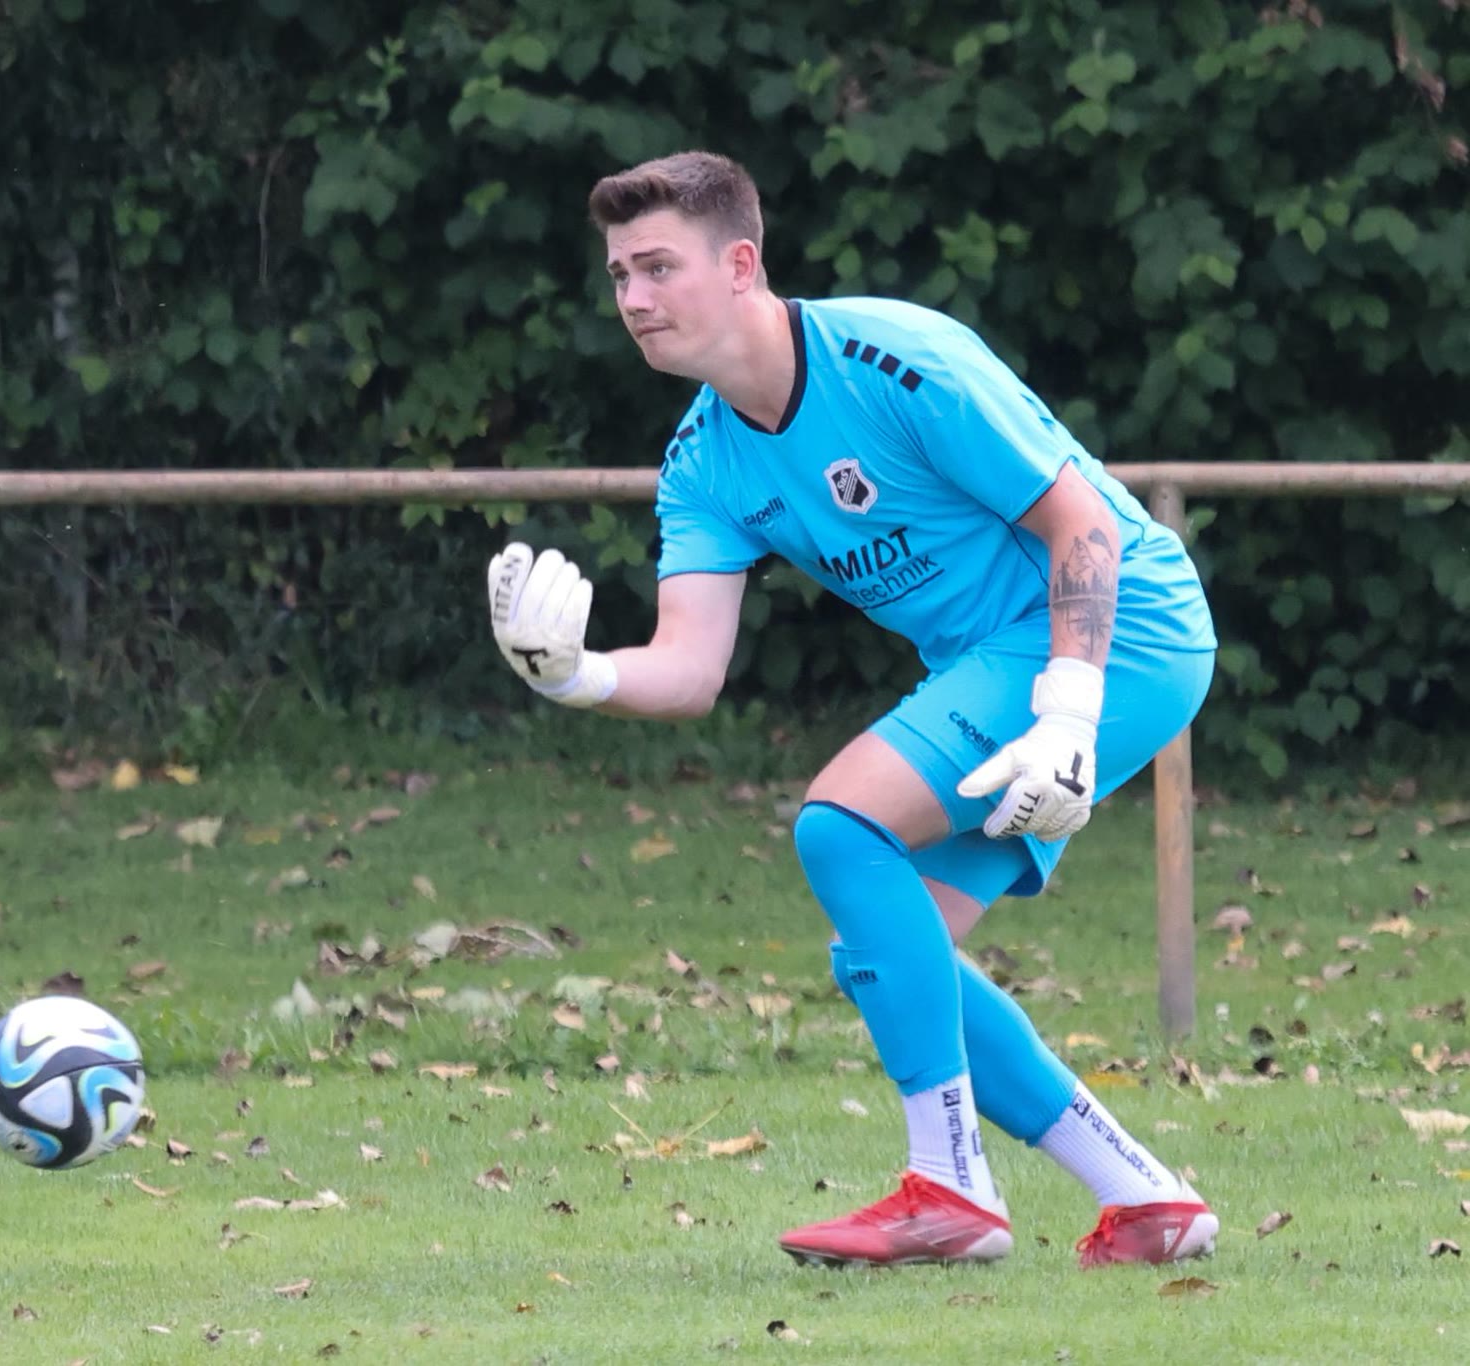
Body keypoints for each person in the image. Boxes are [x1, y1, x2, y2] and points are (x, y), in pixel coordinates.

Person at [488, 151, 1220, 1269]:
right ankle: (1144, 1196)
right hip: (1003, 660)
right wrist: (574, 674)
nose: (632, 298)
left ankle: (950, 1186)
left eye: (657, 267)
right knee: (888, 947)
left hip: (1126, 634)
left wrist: (1068, 717)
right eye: (619, 275)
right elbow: (687, 669)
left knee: (839, 828)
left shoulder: (896, 358)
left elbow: (1083, 525)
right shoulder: (701, 460)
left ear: (741, 265)